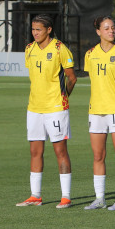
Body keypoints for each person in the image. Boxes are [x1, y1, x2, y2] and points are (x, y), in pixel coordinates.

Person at [17, 15, 77, 208]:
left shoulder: (60, 49)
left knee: (60, 151)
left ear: (49, 30)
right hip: (34, 108)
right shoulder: (29, 49)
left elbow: (72, 78)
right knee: (35, 151)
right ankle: (35, 195)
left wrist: (64, 96)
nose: (35, 33)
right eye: (33, 29)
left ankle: (66, 196)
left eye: (39, 30)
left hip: (56, 108)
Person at [82, 16, 115, 211]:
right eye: (107, 28)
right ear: (98, 32)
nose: (111, 31)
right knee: (98, 156)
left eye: (113, 28)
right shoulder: (90, 54)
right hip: (95, 111)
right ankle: (100, 198)